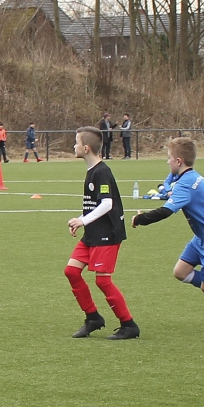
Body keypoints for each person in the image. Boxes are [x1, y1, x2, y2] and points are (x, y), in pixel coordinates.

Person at [132, 137, 204, 331]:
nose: (167, 161)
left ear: (178, 161)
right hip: (203, 237)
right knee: (180, 272)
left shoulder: (185, 184)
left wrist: (140, 219)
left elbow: (166, 211)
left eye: (169, 158)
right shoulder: (197, 178)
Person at [66, 126, 139, 340]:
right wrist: (81, 219)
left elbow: (107, 204)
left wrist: (82, 220)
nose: (74, 146)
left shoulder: (102, 172)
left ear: (86, 148)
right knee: (71, 272)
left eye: (77, 142)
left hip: (107, 234)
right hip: (93, 233)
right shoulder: (92, 171)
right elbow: (94, 204)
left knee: (103, 281)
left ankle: (129, 324)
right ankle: (93, 318)